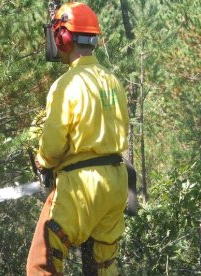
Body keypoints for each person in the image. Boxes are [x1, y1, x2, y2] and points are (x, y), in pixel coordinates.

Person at [26, 2, 129, 275]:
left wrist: (43, 162)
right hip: (116, 182)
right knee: (103, 265)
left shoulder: (66, 84)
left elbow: (54, 142)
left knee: (41, 263)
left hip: (81, 186)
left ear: (63, 37)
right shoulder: (112, 81)